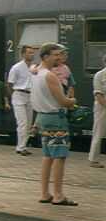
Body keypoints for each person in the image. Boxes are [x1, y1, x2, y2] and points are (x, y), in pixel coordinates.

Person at [32, 43, 77, 206]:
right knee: (59, 156)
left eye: (60, 54)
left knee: (47, 156)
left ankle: (45, 193)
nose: (59, 57)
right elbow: (63, 101)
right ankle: (58, 195)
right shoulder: (50, 76)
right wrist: (72, 101)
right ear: (45, 57)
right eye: (56, 55)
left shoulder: (36, 73)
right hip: (55, 119)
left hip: (42, 117)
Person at [8, 45, 36, 156]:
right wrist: (13, 96)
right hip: (19, 94)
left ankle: (24, 145)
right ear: (23, 54)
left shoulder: (34, 67)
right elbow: (10, 84)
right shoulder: (16, 67)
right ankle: (20, 147)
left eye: (33, 53)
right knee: (22, 123)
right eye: (29, 52)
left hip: (30, 95)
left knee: (28, 123)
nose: (32, 55)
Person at [89, 55, 106, 168]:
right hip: (102, 107)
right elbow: (98, 95)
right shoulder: (99, 75)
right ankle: (93, 159)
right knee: (98, 132)